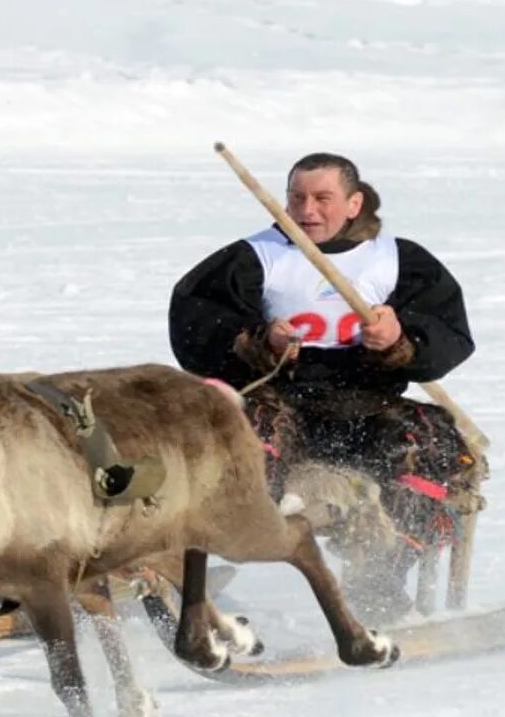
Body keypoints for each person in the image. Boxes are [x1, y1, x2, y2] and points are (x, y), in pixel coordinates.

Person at [169, 152, 477, 621]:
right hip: (281, 402)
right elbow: (193, 329)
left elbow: (451, 335)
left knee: (430, 447)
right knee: (235, 434)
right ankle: (188, 563)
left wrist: (400, 341)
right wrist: (260, 341)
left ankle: (378, 584)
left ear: (353, 204)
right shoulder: (256, 258)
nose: (307, 210)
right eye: (297, 198)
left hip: (369, 406)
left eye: (322, 199)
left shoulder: (397, 261)